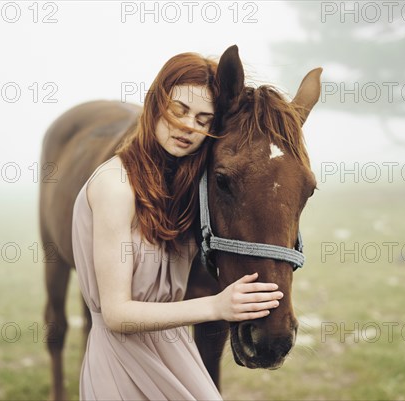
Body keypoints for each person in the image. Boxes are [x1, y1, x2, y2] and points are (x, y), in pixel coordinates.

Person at [71, 51, 284, 400]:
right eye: (179, 110)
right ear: (155, 104)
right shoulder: (116, 186)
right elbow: (116, 314)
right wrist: (217, 307)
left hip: (175, 354)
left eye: (203, 120)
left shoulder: (183, 187)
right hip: (122, 363)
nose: (189, 127)